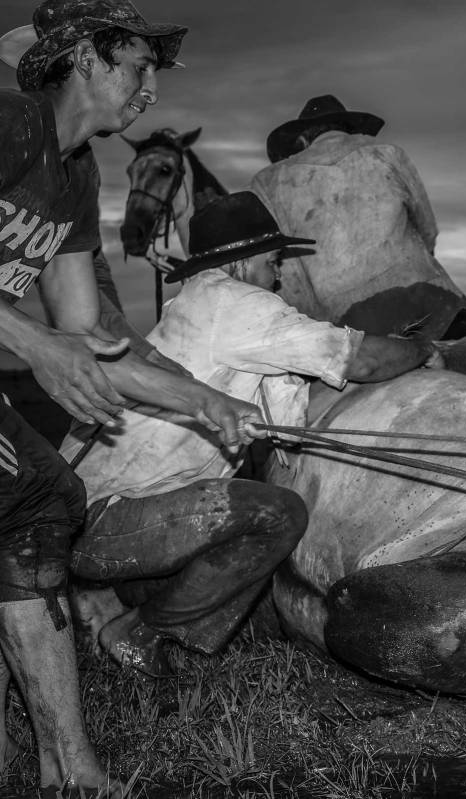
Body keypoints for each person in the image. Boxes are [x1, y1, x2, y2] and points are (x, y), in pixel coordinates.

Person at [0, 2, 266, 794]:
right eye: (138, 65)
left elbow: (87, 334)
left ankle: (65, 768)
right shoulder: (10, 122)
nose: (150, 87)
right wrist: (34, 342)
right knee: (33, 495)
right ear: (84, 55)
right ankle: (69, 770)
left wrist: (199, 400)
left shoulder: (76, 174)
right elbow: (52, 342)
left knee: (43, 497)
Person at [63, 191, 440, 681]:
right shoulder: (237, 304)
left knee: (250, 511)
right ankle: (139, 631)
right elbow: (360, 359)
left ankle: (146, 618)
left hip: (81, 509)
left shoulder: (201, 307)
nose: (279, 273)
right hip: (101, 518)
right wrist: (423, 350)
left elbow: (286, 425)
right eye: (273, 260)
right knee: (276, 515)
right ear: (242, 264)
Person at [250, 94, 466, 341]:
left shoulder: (267, 182)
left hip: (343, 320)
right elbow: (427, 230)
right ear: (350, 130)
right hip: (426, 296)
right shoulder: (388, 153)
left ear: (302, 139)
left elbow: (285, 272)